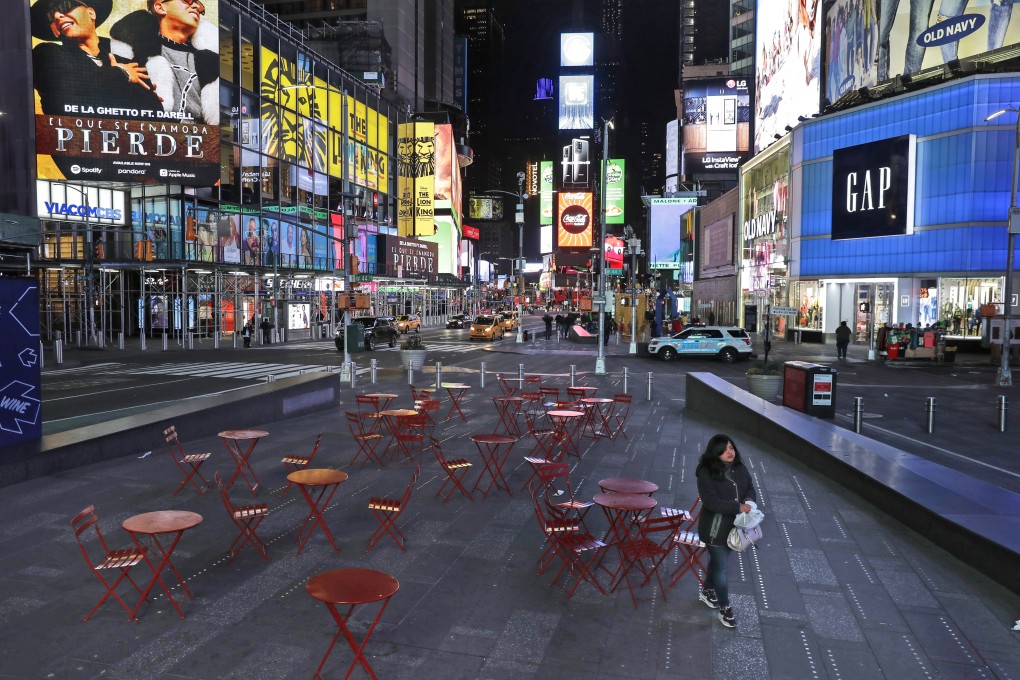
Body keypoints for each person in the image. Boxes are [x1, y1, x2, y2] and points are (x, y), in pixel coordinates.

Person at [31, 0, 163, 116]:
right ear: (54, 31)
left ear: (91, 13)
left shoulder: (130, 62)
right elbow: (62, 102)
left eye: (65, 6)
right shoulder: (45, 54)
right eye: (50, 17)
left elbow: (153, 113)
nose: (57, 16)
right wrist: (122, 74)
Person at [110, 0, 220, 124]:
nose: (195, 6)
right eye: (187, 1)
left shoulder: (211, 61)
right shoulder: (132, 52)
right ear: (160, 7)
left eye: (199, 5)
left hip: (200, 140)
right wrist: (117, 75)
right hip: (151, 136)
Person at [696, 434, 757, 629]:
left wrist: (748, 501)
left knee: (717, 561)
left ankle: (706, 592)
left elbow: (750, 488)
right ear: (715, 453)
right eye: (724, 449)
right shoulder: (705, 472)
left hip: (735, 528)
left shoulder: (739, 467)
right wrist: (738, 507)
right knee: (721, 568)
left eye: (731, 447)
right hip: (715, 529)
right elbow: (711, 502)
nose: (730, 452)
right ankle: (725, 609)